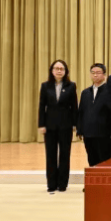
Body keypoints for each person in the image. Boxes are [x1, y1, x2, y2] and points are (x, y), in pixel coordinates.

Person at [38, 60, 78, 194]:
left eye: (62, 69)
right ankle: (51, 184)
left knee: (65, 155)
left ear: (66, 71)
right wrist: (41, 124)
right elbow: (42, 106)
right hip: (49, 126)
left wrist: (75, 124)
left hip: (66, 125)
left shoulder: (71, 86)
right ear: (52, 71)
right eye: (57, 68)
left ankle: (62, 184)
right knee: (50, 155)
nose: (59, 71)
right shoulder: (45, 86)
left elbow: (74, 106)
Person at [77, 63, 111, 167]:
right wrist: (80, 129)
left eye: (98, 72)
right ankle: (94, 177)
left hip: (104, 133)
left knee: (104, 161)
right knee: (92, 159)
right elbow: (81, 111)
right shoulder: (85, 92)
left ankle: (104, 178)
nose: (95, 75)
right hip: (88, 133)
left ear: (104, 75)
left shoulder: (110, 91)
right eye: (93, 73)